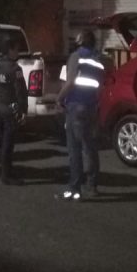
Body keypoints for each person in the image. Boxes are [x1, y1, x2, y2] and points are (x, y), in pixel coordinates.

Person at [55, 29, 106, 201]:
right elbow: (100, 86)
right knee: (90, 148)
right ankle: (92, 186)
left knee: (74, 149)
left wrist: (59, 99)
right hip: (91, 106)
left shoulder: (76, 56)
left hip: (75, 106)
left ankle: (74, 188)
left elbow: (70, 82)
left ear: (80, 41)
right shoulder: (98, 60)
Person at [0, 37, 28, 186]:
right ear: (10, 50)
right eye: (16, 49)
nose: (18, 52)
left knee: (1, 141)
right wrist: (23, 110)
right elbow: (20, 92)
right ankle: (6, 175)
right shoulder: (14, 68)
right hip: (9, 109)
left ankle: (6, 170)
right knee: (8, 143)